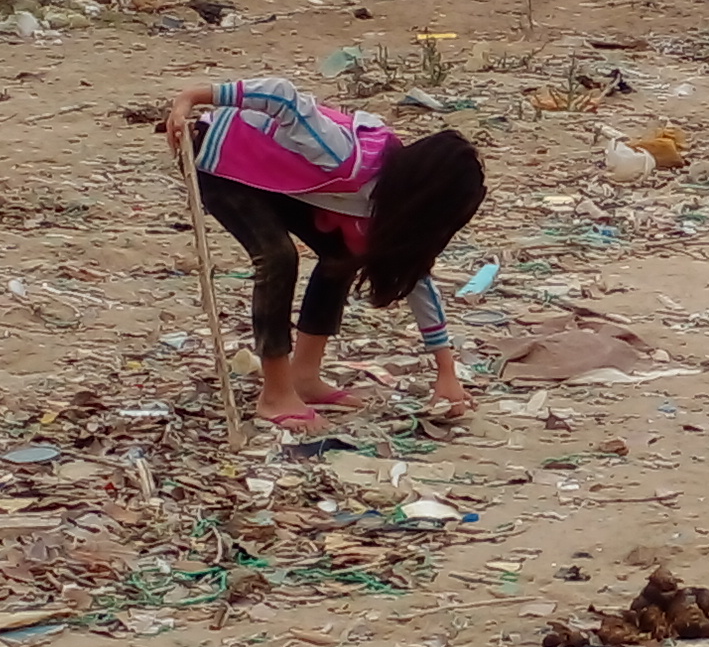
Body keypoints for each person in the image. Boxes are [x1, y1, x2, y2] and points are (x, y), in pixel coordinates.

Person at [167, 77, 483, 429]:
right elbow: (283, 98)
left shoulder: (391, 210)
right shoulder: (348, 158)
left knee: (343, 256)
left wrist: (446, 371)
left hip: (277, 179)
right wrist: (191, 98)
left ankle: (304, 376)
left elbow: (414, 274)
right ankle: (275, 395)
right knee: (277, 258)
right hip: (221, 155)